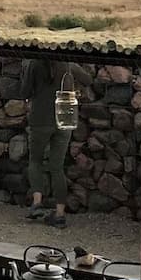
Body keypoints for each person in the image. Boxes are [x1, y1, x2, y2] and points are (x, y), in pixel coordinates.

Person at [21, 58, 85, 228]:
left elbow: (24, 92)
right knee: (57, 167)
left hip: (40, 119)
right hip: (64, 120)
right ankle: (60, 213)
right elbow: (88, 79)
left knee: (35, 161)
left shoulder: (34, 63)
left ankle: (37, 202)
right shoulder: (69, 64)